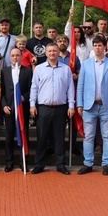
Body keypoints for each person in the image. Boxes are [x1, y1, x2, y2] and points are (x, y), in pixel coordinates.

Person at [76, 36, 108, 176]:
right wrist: (80, 103)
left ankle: (106, 163)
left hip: (106, 106)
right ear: (93, 47)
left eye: (100, 45)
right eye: (95, 45)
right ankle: (88, 163)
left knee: (107, 136)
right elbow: (81, 85)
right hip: (89, 106)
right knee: (89, 136)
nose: (97, 47)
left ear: (104, 47)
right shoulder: (86, 64)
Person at [30, 43, 74, 175]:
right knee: (41, 137)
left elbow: (70, 89)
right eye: (49, 51)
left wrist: (71, 106)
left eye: (54, 51)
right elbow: (34, 88)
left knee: (59, 138)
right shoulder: (39, 69)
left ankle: (60, 164)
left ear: (58, 52)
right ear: (46, 53)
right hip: (43, 108)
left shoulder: (66, 69)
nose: (52, 53)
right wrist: (32, 104)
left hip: (61, 108)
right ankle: (39, 164)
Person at [1, 47, 32, 172]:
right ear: (10, 57)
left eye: (17, 55)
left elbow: (32, 88)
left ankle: (23, 161)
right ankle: (9, 162)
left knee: (24, 135)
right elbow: (1, 90)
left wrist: (24, 97)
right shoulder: (4, 71)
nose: (15, 57)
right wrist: (3, 105)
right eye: (13, 55)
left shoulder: (28, 71)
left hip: (22, 109)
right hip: (9, 109)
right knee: (9, 137)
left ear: (21, 56)